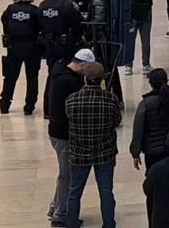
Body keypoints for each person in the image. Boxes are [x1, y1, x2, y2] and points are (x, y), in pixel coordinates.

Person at [65, 61, 122, 228]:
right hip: (105, 152)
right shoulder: (111, 99)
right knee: (106, 191)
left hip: (79, 153)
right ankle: (109, 224)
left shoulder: (71, 100)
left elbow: (68, 120)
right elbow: (116, 121)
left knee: (74, 192)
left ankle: (72, 223)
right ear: (102, 79)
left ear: (85, 78)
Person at [131, 67, 169, 171]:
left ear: (150, 83)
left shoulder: (145, 104)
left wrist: (135, 153)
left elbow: (138, 131)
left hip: (153, 153)